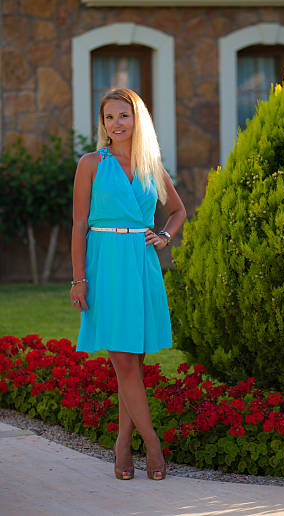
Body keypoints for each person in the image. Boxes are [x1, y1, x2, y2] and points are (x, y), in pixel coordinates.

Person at [70, 88, 186, 481]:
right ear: (102, 124)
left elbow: (177, 210)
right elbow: (78, 225)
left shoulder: (151, 164)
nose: (116, 124)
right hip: (105, 263)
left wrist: (166, 237)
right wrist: (79, 279)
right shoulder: (89, 164)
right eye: (109, 117)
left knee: (133, 363)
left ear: (138, 120)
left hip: (141, 262)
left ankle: (122, 445)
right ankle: (151, 443)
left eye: (124, 116)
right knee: (122, 359)